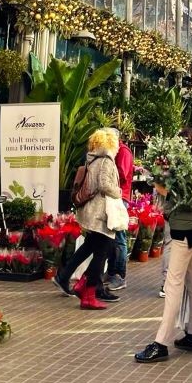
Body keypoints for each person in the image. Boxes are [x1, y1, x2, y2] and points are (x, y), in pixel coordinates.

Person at [136, 128, 192, 364]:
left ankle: (161, 343)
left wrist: (157, 175)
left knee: (173, 285)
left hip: (183, 232)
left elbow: (167, 191)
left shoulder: (182, 169)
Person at [54, 128, 122, 310]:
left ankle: (76, 282)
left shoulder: (93, 159)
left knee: (93, 247)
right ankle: (88, 292)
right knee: (103, 252)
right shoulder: (106, 161)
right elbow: (105, 185)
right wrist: (119, 192)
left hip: (92, 212)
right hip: (101, 213)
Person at [159, 127, 192, 298]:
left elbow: (164, 188)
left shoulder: (172, 163)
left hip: (175, 212)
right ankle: (187, 282)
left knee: (171, 245)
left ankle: (168, 283)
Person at [105, 127, 134, 291]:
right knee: (111, 237)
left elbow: (122, 174)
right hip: (114, 196)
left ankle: (119, 275)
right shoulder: (115, 151)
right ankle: (111, 272)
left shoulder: (123, 151)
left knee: (119, 238)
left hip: (120, 197)